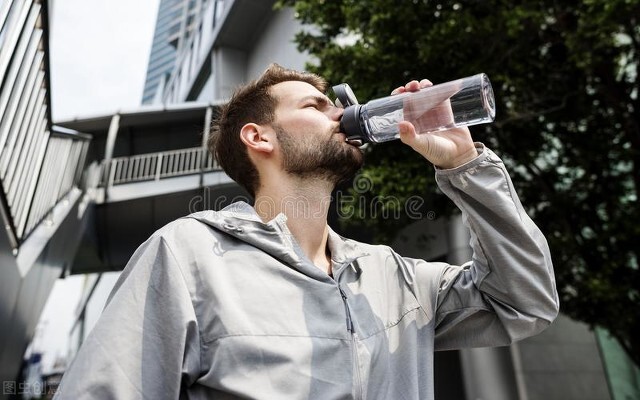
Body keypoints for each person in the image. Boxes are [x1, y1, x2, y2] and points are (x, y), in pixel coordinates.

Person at [54, 64, 559, 399]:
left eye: (334, 104)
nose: (340, 114)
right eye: (315, 107)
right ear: (259, 137)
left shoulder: (393, 276)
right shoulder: (188, 255)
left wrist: (466, 165)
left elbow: (523, 303)